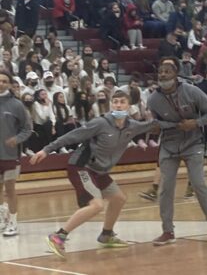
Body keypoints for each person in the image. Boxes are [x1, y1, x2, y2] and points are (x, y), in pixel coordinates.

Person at [30, 90, 177, 258]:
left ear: (129, 106)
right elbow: (72, 136)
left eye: (122, 102)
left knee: (119, 199)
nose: (118, 105)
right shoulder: (100, 123)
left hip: (100, 171)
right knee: (96, 205)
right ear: (111, 105)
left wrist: (182, 121)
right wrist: (46, 150)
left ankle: (106, 235)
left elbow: (155, 124)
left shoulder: (133, 126)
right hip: (81, 167)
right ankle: (58, 237)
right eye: (115, 102)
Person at [147, 61, 207, 246]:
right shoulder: (153, 99)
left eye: (167, 71)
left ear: (176, 75)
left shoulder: (192, 91)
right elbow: (154, 123)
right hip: (168, 145)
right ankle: (167, 231)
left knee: (198, 184)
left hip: (193, 143)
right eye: (161, 71)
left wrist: (195, 123)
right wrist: (154, 129)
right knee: (166, 189)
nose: (163, 74)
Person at [0, 70, 32, 236]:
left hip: (11, 156)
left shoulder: (16, 104)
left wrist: (17, 139)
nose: (1, 83)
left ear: (10, 84)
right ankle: (1, 218)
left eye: (4, 81)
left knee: (10, 189)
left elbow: (28, 129)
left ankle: (13, 222)